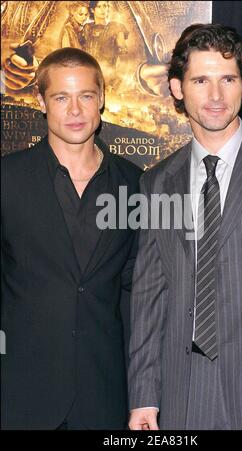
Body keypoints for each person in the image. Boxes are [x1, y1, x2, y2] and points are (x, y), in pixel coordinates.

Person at [128, 23, 242, 430]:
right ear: (177, 88)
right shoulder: (157, 181)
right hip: (185, 391)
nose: (216, 96)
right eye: (200, 80)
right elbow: (150, 295)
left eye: (228, 79)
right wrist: (144, 397)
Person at [1, 47, 142, 430]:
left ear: (102, 100)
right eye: (61, 97)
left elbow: (139, 292)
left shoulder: (137, 183)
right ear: (41, 102)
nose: (75, 110)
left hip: (105, 393)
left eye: (86, 96)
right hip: (21, 394)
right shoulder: (7, 179)